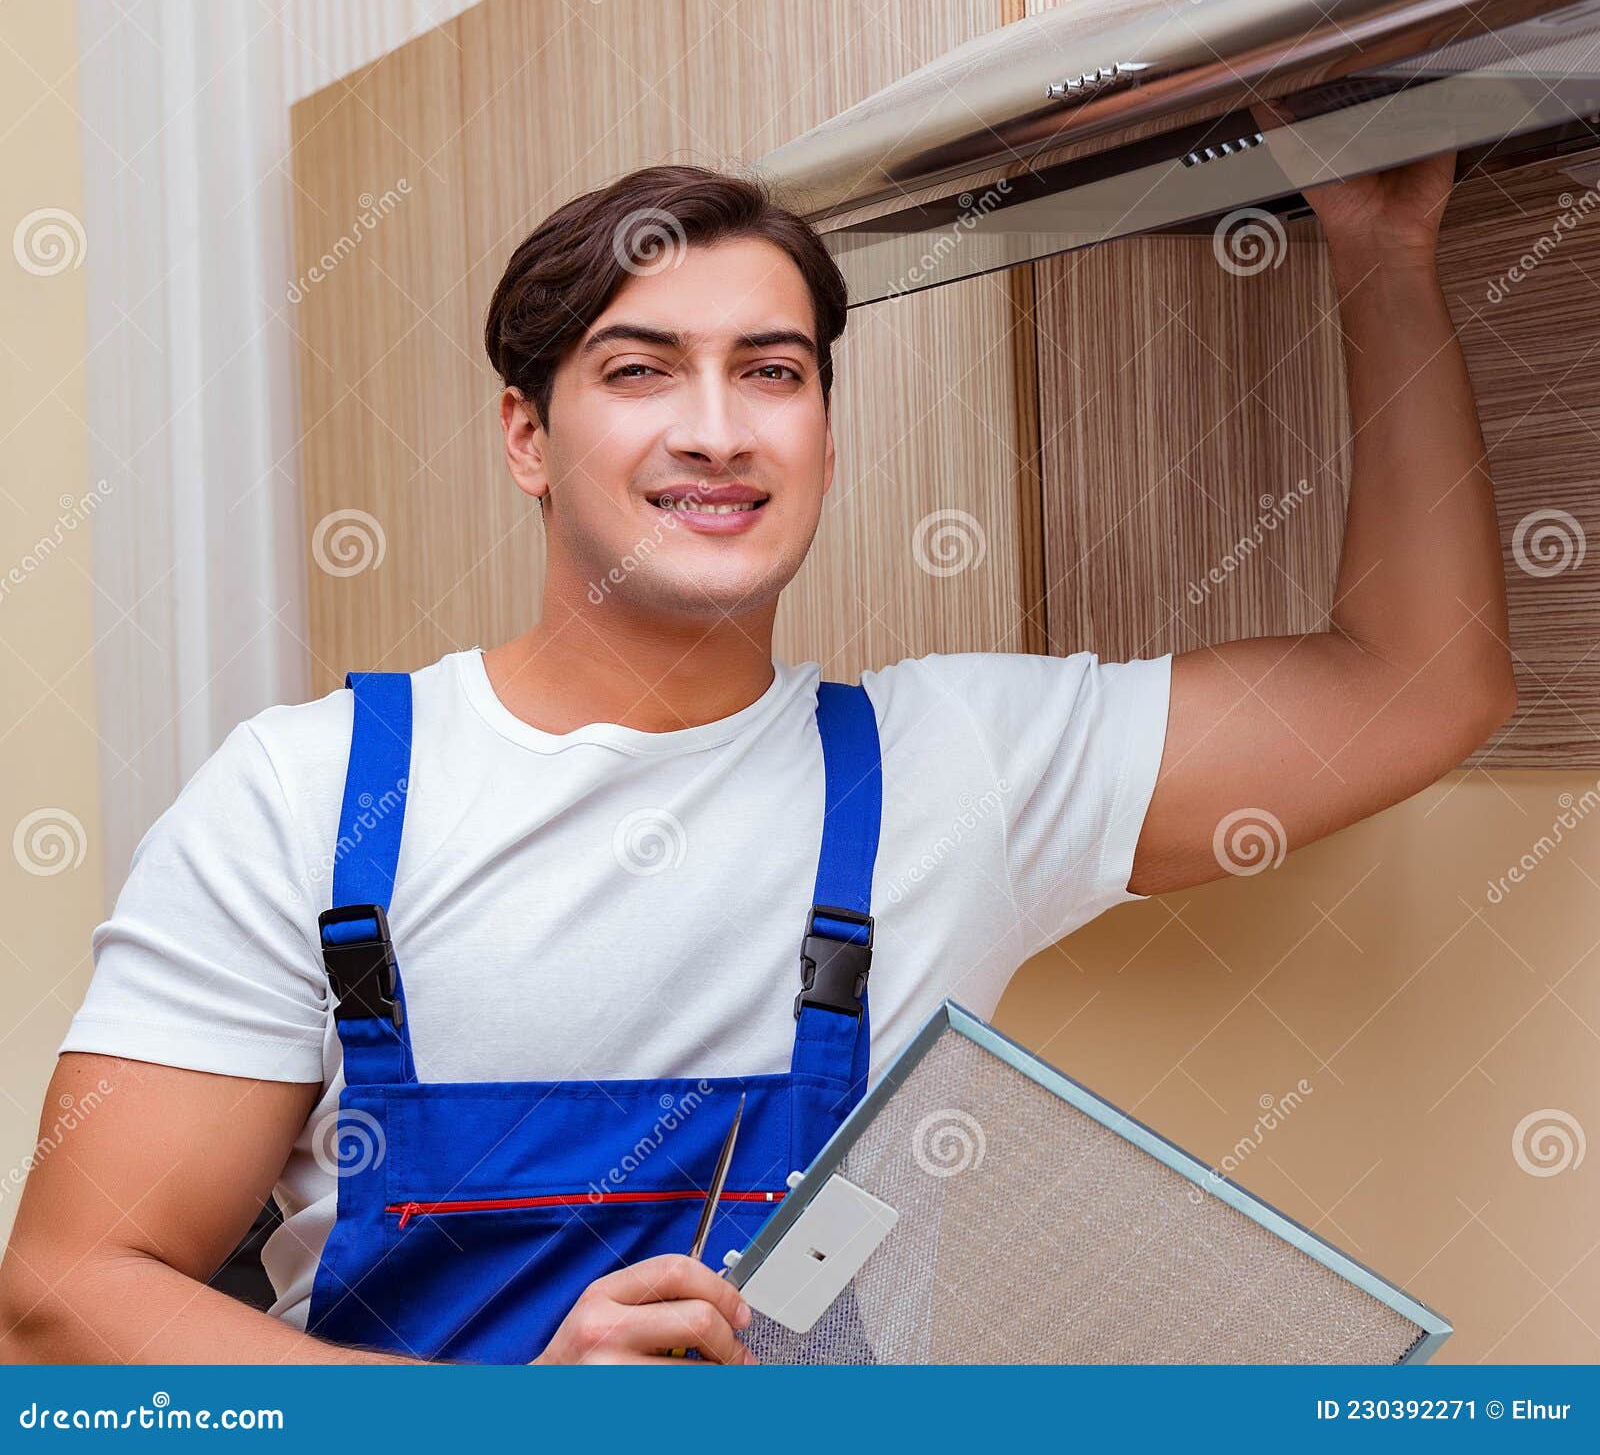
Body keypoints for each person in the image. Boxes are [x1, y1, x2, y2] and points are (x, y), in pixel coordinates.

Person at [0, 139, 1514, 1364]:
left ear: (826, 437)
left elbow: (1421, 683)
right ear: (527, 435)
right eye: (642, 370)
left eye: (774, 371)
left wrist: (1380, 255)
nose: (719, 430)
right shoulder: (313, 797)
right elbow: (64, 1301)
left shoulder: (960, 768)